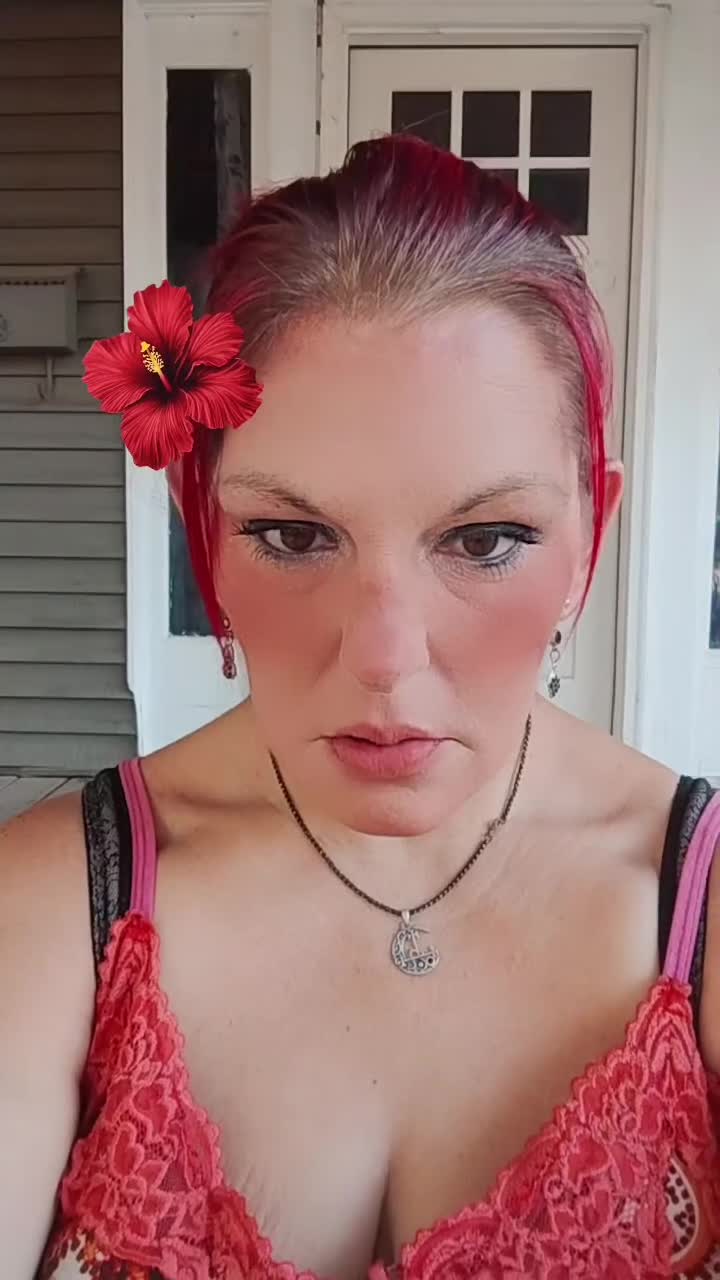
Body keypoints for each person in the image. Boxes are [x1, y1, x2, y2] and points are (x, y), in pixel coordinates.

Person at [2, 134, 719, 1280]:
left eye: (486, 539)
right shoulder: (48, 909)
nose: (385, 657)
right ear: (204, 531)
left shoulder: (701, 908)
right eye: (294, 535)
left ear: (591, 542)